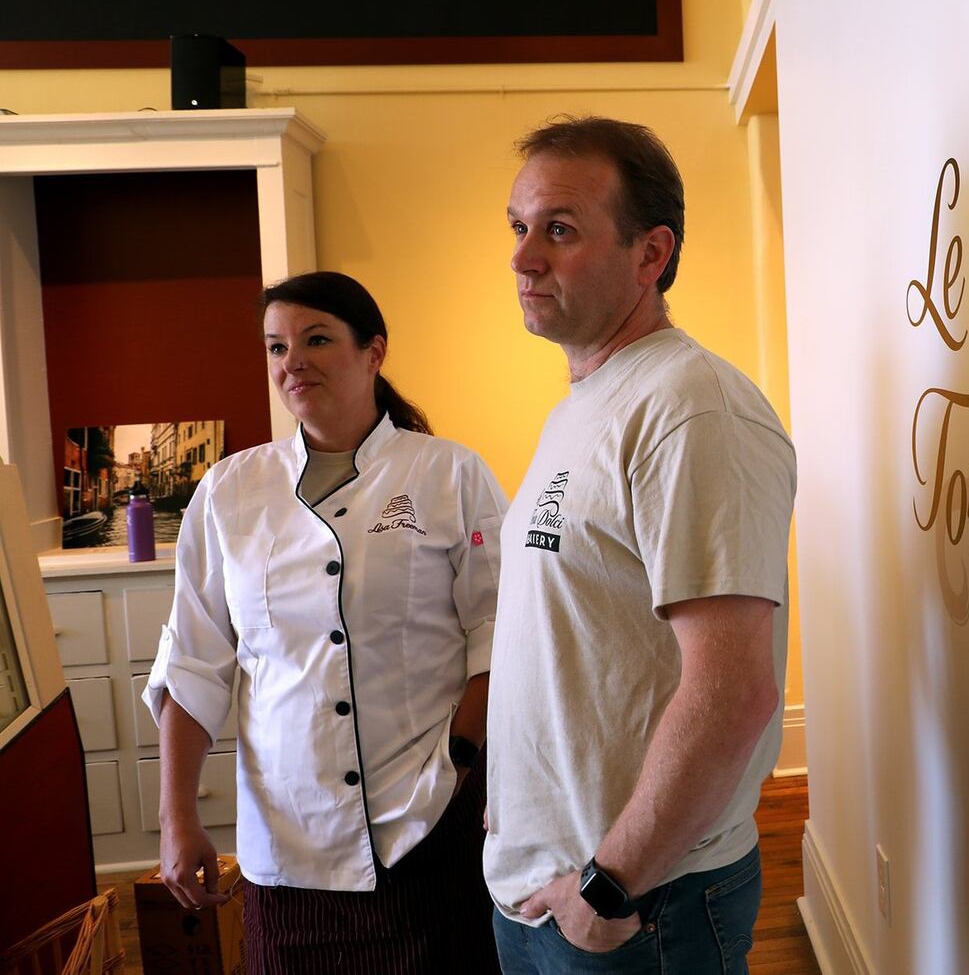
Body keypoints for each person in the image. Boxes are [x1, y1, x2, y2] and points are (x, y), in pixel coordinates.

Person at [484, 116, 798, 973]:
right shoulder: (585, 403)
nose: (522, 257)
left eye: (559, 229)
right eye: (518, 227)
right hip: (544, 888)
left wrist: (609, 887)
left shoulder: (693, 409)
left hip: (638, 907)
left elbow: (733, 690)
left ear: (650, 254)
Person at [143, 271, 507, 973]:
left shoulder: (449, 475)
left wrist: (459, 764)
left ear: (374, 351)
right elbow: (193, 663)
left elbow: (498, 638)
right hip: (288, 839)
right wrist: (176, 818)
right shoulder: (231, 491)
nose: (293, 362)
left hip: (425, 819)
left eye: (316, 339)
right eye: (277, 346)